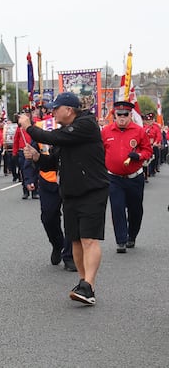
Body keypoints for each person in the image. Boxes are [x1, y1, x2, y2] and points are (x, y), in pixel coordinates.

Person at [20, 92, 108, 305]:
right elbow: (53, 162)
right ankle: (82, 282)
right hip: (70, 191)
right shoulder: (64, 133)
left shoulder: (86, 125)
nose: (52, 112)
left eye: (56, 108)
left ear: (69, 110)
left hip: (92, 190)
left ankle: (89, 285)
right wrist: (37, 157)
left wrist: (29, 127)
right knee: (75, 239)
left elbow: (53, 138)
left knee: (89, 238)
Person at [101, 101, 152, 253]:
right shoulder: (106, 131)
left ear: (131, 115)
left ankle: (132, 236)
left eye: (125, 115)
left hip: (134, 177)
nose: (122, 118)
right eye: (119, 115)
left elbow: (148, 151)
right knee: (117, 209)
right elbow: (99, 151)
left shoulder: (139, 131)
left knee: (135, 210)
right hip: (114, 178)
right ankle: (121, 240)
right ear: (114, 116)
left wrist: (139, 155)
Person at [30, 112, 76, 271]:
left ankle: (70, 256)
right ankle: (58, 244)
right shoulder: (41, 128)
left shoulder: (75, 127)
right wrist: (29, 178)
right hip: (48, 180)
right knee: (48, 217)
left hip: (69, 180)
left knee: (71, 219)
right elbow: (32, 152)